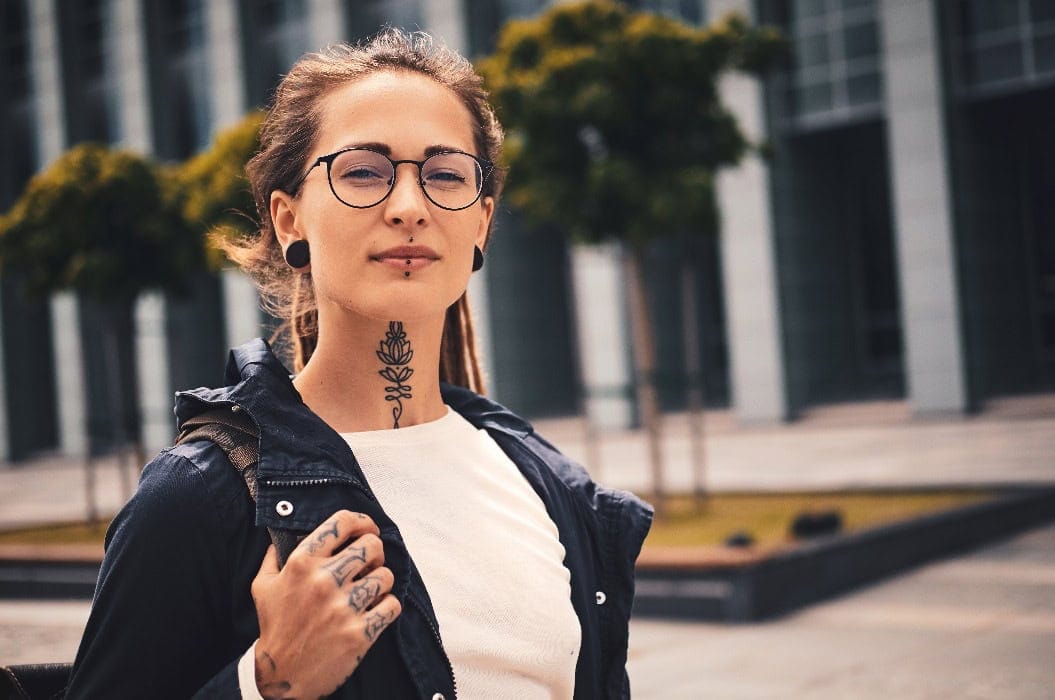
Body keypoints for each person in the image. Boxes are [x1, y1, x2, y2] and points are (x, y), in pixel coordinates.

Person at [67, 28, 652, 699]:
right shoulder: (199, 500)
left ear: (482, 222)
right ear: (290, 222)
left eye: (445, 174)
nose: (408, 207)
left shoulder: (545, 483)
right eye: (363, 172)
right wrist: (263, 685)